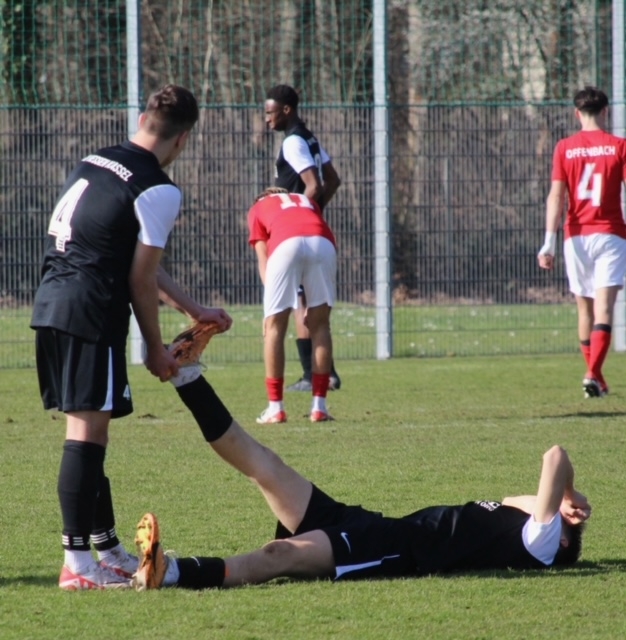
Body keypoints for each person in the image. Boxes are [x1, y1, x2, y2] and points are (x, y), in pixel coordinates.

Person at [30, 84, 232, 590]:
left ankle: (107, 549)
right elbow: (140, 278)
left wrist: (194, 310)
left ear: (143, 119)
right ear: (183, 139)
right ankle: (78, 565)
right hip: (91, 312)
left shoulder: (96, 160)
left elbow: (136, 261)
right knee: (85, 437)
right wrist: (155, 349)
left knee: (91, 435)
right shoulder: (158, 188)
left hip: (53, 303)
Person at [132, 367, 590, 591]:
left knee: (277, 555)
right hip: (371, 524)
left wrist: (567, 494)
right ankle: (187, 375)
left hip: (391, 551)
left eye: (559, 521)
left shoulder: (541, 548)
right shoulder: (524, 526)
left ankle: (171, 571)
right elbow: (520, 498)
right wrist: (568, 501)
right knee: (264, 464)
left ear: (561, 541)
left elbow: (555, 457)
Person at [538, 86, 626, 398]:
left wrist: (548, 242)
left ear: (577, 113)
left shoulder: (564, 147)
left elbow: (556, 196)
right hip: (610, 234)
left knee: (584, 309)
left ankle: (595, 379)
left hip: (574, 236)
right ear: (606, 112)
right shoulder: (619, 146)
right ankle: (593, 374)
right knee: (604, 308)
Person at [265, 84, 342, 392]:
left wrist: (300, 214)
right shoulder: (309, 138)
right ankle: (326, 373)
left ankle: (313, 375)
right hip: (314, 233)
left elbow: (314, 185)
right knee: (312, 304)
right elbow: (332, 179)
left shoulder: (293, 142)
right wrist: (316, 213)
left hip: (295, 235)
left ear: (286, 110)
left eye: (270, 113)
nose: (267, 119)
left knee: (302, 305)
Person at [247, 187, 337, 423]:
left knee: (275, 328)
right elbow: (310, 230)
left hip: (286, 246)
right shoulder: (305, 200)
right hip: (323, 243)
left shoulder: (258, 208)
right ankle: (319, 407)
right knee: (320, 326)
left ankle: (275, 408)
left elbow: (263, 257)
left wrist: (271, 309)